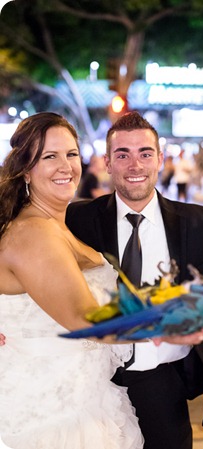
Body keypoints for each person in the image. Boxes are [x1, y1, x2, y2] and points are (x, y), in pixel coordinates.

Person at [65, 111, 203, 449]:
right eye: (122, 154)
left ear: (160, 160)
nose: (135, 164)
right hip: (92, 383)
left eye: (145, 153)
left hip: (164, 384)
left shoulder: (197, 223)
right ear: (108, 164)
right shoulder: (77, 219)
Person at [0, 112, 144, 449]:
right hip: (50, 418)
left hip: (86, 400)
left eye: (71, 154)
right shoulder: (34, 232)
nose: (66, 166)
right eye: (50, 156)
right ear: (25, 170)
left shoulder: (62, 222)